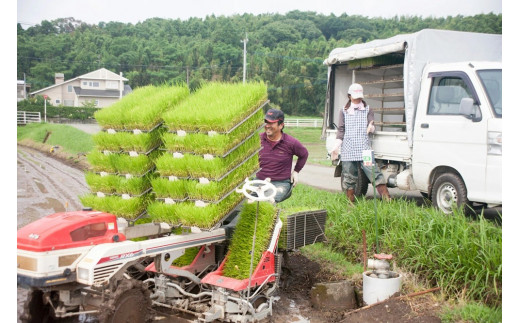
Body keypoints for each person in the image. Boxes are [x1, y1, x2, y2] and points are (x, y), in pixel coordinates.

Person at [330, 83, 391, 203]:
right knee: (349, 176)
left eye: (359, 97)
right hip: (348, 149)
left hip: (365, 149)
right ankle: (351, 203)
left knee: (373, 172)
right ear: (349, 96)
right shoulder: (343, 111)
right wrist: (336, 146)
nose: (358, 99)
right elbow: (341, 130)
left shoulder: (368, 109)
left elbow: (371, 123)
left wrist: (371, 127)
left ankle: (387, 199)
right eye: (355, 96)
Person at [256, 108, 309, 202]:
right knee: (246, 202)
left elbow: (304, 154)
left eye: (271, 123)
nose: (267, 126)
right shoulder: (257, 140)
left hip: (280, 183)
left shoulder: (290, 142)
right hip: (260, 181)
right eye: (266, 122)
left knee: (268, 200)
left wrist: (296, 171)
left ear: (281, 125)